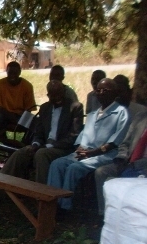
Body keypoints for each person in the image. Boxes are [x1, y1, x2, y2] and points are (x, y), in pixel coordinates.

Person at [0, 81, 84, 204]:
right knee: (20, 154)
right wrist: (35, 144)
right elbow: (39, 133)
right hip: (43, 146)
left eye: (60, 93)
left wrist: (47, 146)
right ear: (48, 95)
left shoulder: (75, 107)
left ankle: (43, 199)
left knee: (41, 154)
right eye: (53, 94)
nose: (57, 97)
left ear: (64, 92)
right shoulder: (45, 108)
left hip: (63, 148)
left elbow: (73, 136)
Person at [47, 78, 130, 212]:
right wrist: (79, 148)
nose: (101, 93)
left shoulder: (121, 113)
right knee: (57, 164)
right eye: (98, 90)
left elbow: (113, 143)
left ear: (114, 93)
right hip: (84, 153)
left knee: (74, 168)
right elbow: (81, 137)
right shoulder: (93, 114)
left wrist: (91, 153)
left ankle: (65, 207)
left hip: (104, 155)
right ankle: (51, 203)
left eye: (105, 90)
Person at [93, 109, 147, 214]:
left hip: (143, 165)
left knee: (130, 178)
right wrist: (121, 158)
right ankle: (105, 214)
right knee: (101, 172)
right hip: (128, 161)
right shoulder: (141, 116)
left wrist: (136, 164)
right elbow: (125, 143)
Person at [0, 62, 36, 138]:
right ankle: (4, 141)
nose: (12, 75)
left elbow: (29, 109)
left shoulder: (27, 86)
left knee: (35, 124)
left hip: (21, 115)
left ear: (20, 72)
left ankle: (25, 143)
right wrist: (12, 118)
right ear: (6, 72)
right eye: (10, 73)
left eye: (15, 73)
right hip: (4, 114)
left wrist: (20, 119)